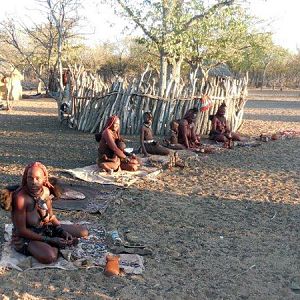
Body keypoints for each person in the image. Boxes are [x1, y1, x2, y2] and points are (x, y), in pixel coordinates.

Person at [11, 162, 88, 264]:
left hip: (45, 229)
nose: (33, 182)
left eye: (37, 178)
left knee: (83, 232)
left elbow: (50, 217)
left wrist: (61, 231)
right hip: (27, 236)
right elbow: (21, 231)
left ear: (44, 179)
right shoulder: (20, 198)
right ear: (26, 178)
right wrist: (50, 240)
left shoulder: (46, 192)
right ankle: (55, 246)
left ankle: (56, 243)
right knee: (50, 257)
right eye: (30, 178)